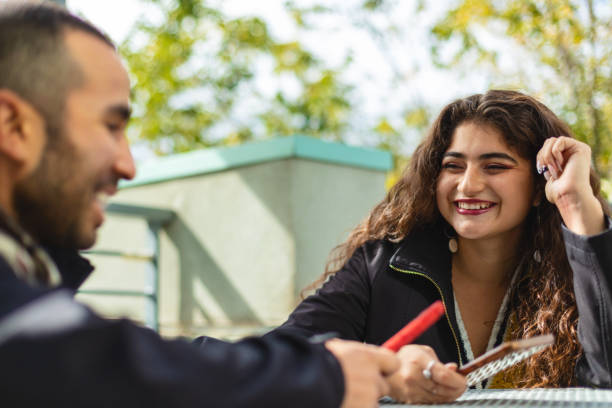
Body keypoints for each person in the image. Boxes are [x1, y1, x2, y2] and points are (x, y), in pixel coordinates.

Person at [0, 3, 401, 407]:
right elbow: (95, 364)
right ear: (13, 127)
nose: (128, 165)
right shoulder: (26, 323)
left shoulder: (30, 275)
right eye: (111, 126)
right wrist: (321, 377)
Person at [273, 89, 612, 403]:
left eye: (494, 166)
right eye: (453, 166)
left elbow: (605, 381)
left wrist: (577, 209)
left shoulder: (577, 269)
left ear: (541, 186)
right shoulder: (382, 265)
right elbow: (283, 359)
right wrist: (387, 370)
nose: (468, 184)